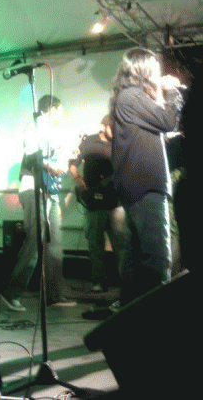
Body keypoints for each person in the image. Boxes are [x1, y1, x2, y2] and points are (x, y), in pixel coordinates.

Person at [111, 47, 183, 305]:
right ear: (142, 69)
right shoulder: (132, 96)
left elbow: (157, 130)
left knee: (135, 259)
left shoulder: (127, 97)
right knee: (157, 260)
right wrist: (173, 93)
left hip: (136, 187)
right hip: (146, 186)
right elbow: (167, 120)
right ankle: (158, 320)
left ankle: (129, 317)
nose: (158, 72)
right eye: (154, 67)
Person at [0, 95, 70, 312]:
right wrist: (50, 166)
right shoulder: (34, 127)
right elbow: (31, 156)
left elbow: (56, 160)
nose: (62, 115)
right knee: (35, 240)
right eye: (60, 111)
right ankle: (11, 293)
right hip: (33, 188)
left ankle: (53, 295)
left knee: (54, 244)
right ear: (52, 109)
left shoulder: (55, 133)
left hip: (50, 191)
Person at [69, 115, 126, 293]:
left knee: (121, 244)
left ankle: (126, 283)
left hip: (115, 201)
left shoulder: (120, 143)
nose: (115, 131)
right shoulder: (89, 142)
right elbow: (73, 164)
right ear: (103, 126)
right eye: (112, 127)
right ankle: (99, 281)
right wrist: (80, 181)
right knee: (95, 243)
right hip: (94, 200)